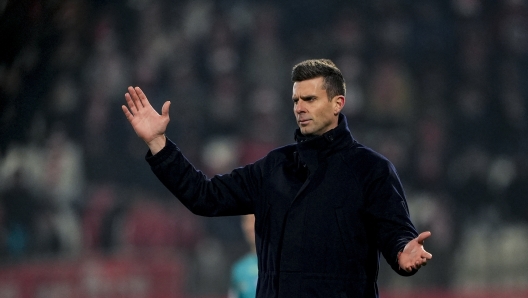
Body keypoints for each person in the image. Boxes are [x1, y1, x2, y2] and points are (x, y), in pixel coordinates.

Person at [122, 59, 432, 297]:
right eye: (296, 100)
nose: (300, 108)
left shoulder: (371, 169)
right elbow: (204, 196)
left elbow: (396, 232)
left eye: (310, 99)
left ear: (338, 104)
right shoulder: (274, 167)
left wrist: (403, 252)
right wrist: (158, 144)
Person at [228, 214, 258, 298]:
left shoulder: (281, 265)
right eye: (246, 220)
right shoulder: (239, 269)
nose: (250, 226)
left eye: (254, 219)